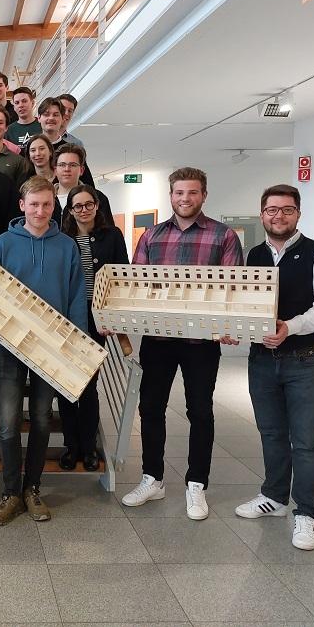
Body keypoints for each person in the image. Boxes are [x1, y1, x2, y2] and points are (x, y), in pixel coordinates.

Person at [121, 167, 244, 520]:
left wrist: (228, 325)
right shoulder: (152, 236)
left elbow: (233, 289)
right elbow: (138, 286)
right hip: (158, 339)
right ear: (170, 195)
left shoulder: (223, 236)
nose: (185, 199)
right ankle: (152, 478)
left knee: (200, 411)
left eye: (192, 192)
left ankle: (197, 484)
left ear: (203, 194)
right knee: (151, 408)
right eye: (179, 193)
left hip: (201, 342)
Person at [233, 184, 314, 551]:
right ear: (262, 214)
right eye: (272, 210)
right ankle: (274, 497)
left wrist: (288, 328)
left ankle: (306, 514)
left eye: (287, 210)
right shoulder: (254, 255)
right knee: (271, 433)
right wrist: (233, 327)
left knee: (306, 442)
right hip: (262, 361)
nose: (279, 216)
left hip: (305, 360)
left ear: (298, 213)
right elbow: (246, 303)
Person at [0, 177, 87, 526]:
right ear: (22, 206)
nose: (40, 211)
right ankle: (11, 493)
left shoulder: (67, 246)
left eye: (46, 204)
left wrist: (76, 342)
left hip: (52, 346)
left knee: (42, 419)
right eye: (34, 204)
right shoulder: (2, 243)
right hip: (9, 346)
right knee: (9, 423)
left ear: (53, 206)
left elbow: (77, 294)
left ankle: (32, 489)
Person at [58, 185, 128, 471]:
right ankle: (70, 446)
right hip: (66, 317)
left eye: (89, 204)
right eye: (78, 206)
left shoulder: (113, 235)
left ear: (97, 206)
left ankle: (88, 447)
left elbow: (122, 277)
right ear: (70, 210)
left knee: (88, 385)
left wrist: (113, 318)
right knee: (65, 384)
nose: (84, 210)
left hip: (97, 318)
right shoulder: (62, 238)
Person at [25, 97, 95, 187]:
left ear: (62, 118)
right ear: (39, 118)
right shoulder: (30, 148)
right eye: (46, 114)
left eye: (55, 115)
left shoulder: (72, 150)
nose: (51, 118)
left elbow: (88, 186)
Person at [51, 144, 111, 225]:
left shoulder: (98, 197)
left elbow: (108, 230)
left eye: (73, 165)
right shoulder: (45, 197)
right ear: (55, 170)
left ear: (81, 170)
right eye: (62, 165)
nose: (67, 169)